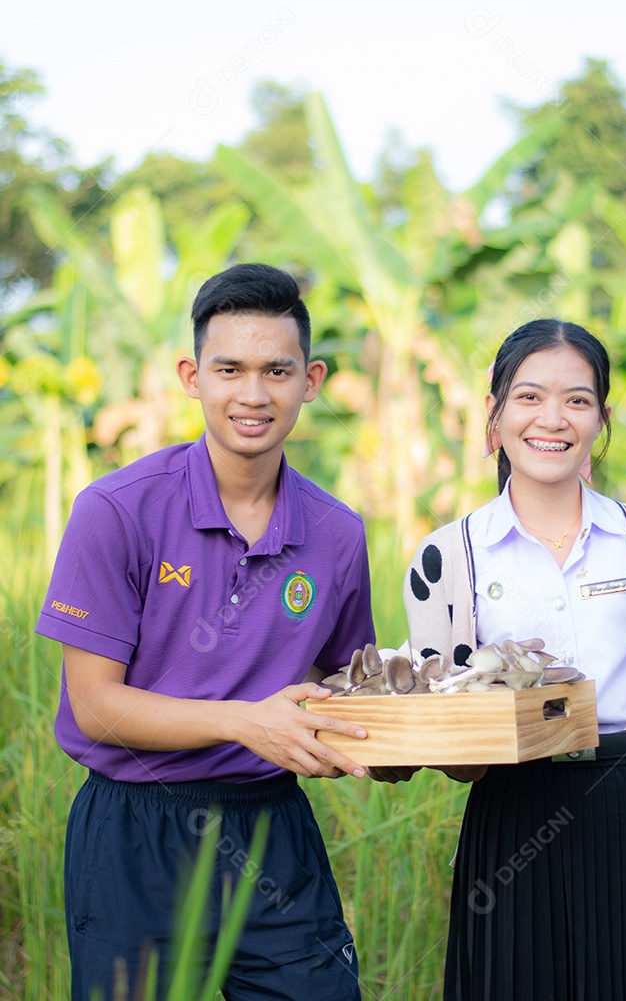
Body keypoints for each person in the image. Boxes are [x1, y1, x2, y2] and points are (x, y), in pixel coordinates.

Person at [36, 264, 373, 1001]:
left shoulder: (337, 533)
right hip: (135, 829)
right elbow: (95, 706)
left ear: (310, 380)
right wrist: (245, 723)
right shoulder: (116, 510)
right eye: (230, 369)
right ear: (192, 376)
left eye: (277, 371)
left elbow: (346, 684)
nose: (253, 395)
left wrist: (431, 739)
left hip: (272, 829)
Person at [402, 318, 626, 1000]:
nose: (553, 418)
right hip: (515, 815)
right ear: (493, 417)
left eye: (577, 400)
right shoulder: (444, 559)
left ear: (601, 421)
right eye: (529, 397)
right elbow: (455, 756)